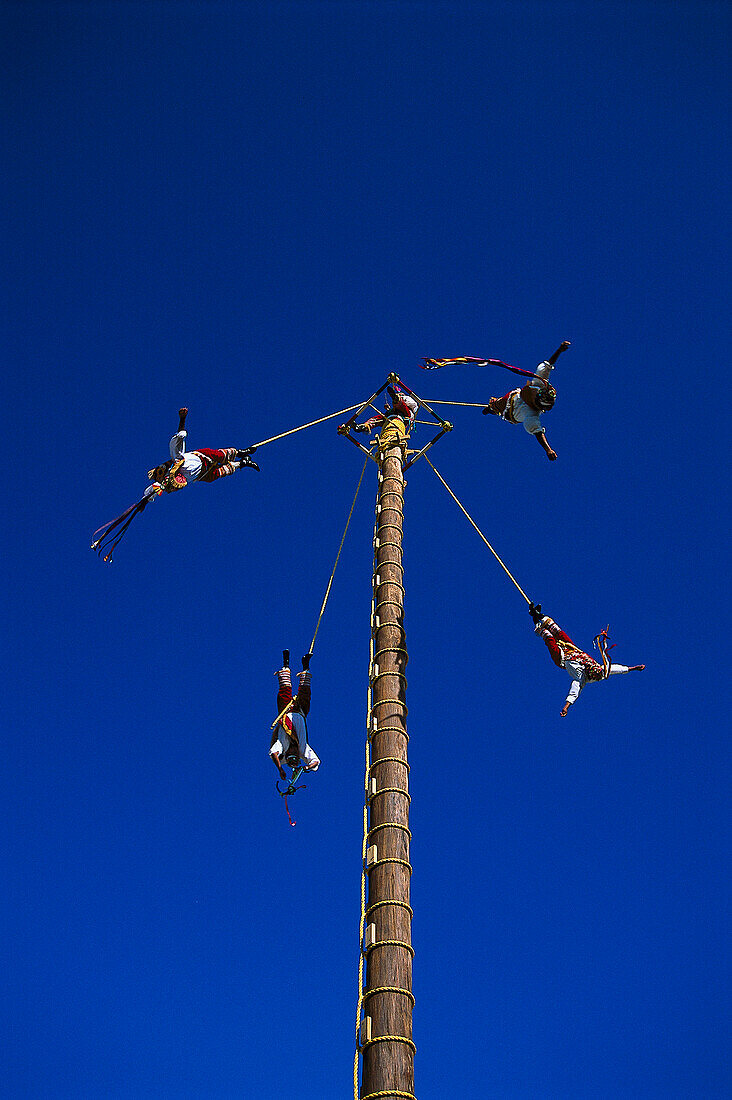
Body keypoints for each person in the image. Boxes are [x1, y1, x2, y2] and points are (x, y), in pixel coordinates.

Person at [529, 603, 645, 716]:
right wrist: (633, 668)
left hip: (561, 659)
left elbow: (575, 691)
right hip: (573, 650)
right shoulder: (600, 669)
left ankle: (536, 621)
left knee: (549, 639)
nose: (594, 668)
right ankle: (539, 615)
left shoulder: (582, 678)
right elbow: (614, 669)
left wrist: (566, 707)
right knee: (559, 632)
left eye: (594, 671)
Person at [482, 341, 570, 461]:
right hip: (512, 398)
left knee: (499, 407)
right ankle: (491, 408)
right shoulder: (540, 384)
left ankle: (492, 409)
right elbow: (547, 365)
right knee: (497, 404)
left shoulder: (532, 415)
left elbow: (538, 433)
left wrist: (548, 449)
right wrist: (559, 350)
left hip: (512, 412)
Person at [144, 407, 258, 499]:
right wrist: (148, 496)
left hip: (203, 458)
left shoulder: (177, 461)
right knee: (214, 476)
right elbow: (159, 489)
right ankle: (242, 463)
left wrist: (182, 419)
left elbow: (179, 438)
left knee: (219, 455)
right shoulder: (169, 484)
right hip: (202, 473)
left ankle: (240, 453)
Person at [270, 651, 320, 779]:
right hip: (300, 711)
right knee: (305, 694)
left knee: (284, 691)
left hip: (285, 712)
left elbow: (274, 754)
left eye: (291, 756)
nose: (294, 752)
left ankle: (285, 664)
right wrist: (305, 768)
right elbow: (315, 762)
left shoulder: (282, 746)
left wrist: (280, 769)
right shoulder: (303, 749)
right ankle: (306, 666)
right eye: (296, 756)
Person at [351, 383, 419, 435]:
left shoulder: (407, 398)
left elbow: (412, 406)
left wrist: (399, 398)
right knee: (378, 418)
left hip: (405, 414)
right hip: (392, 415)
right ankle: (363, 427)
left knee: (400, 404)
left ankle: (396, 399)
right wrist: (389, 409)